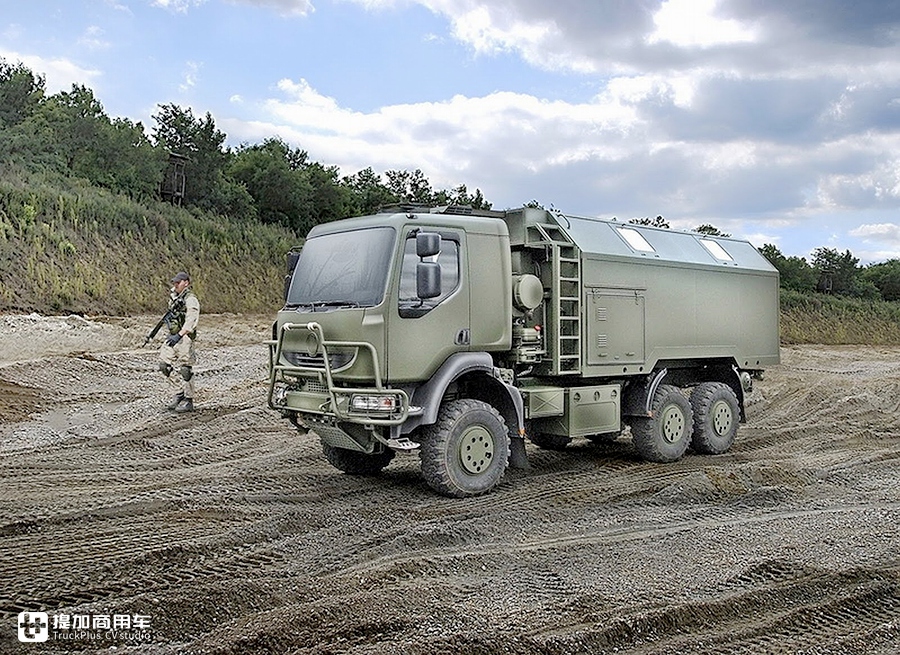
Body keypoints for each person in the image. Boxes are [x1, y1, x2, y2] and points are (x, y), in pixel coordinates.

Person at [158, 271, 200, 412]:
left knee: (185, 369)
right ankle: (179, 392)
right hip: (173, 335)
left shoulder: (191, 299)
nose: (175, 285)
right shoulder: (174, 297)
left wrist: (181, 334)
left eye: (178, 282)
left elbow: (191, 320)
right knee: (164, 365)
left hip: (185, 337)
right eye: (174, 282)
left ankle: (189, 400)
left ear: (186, 283)